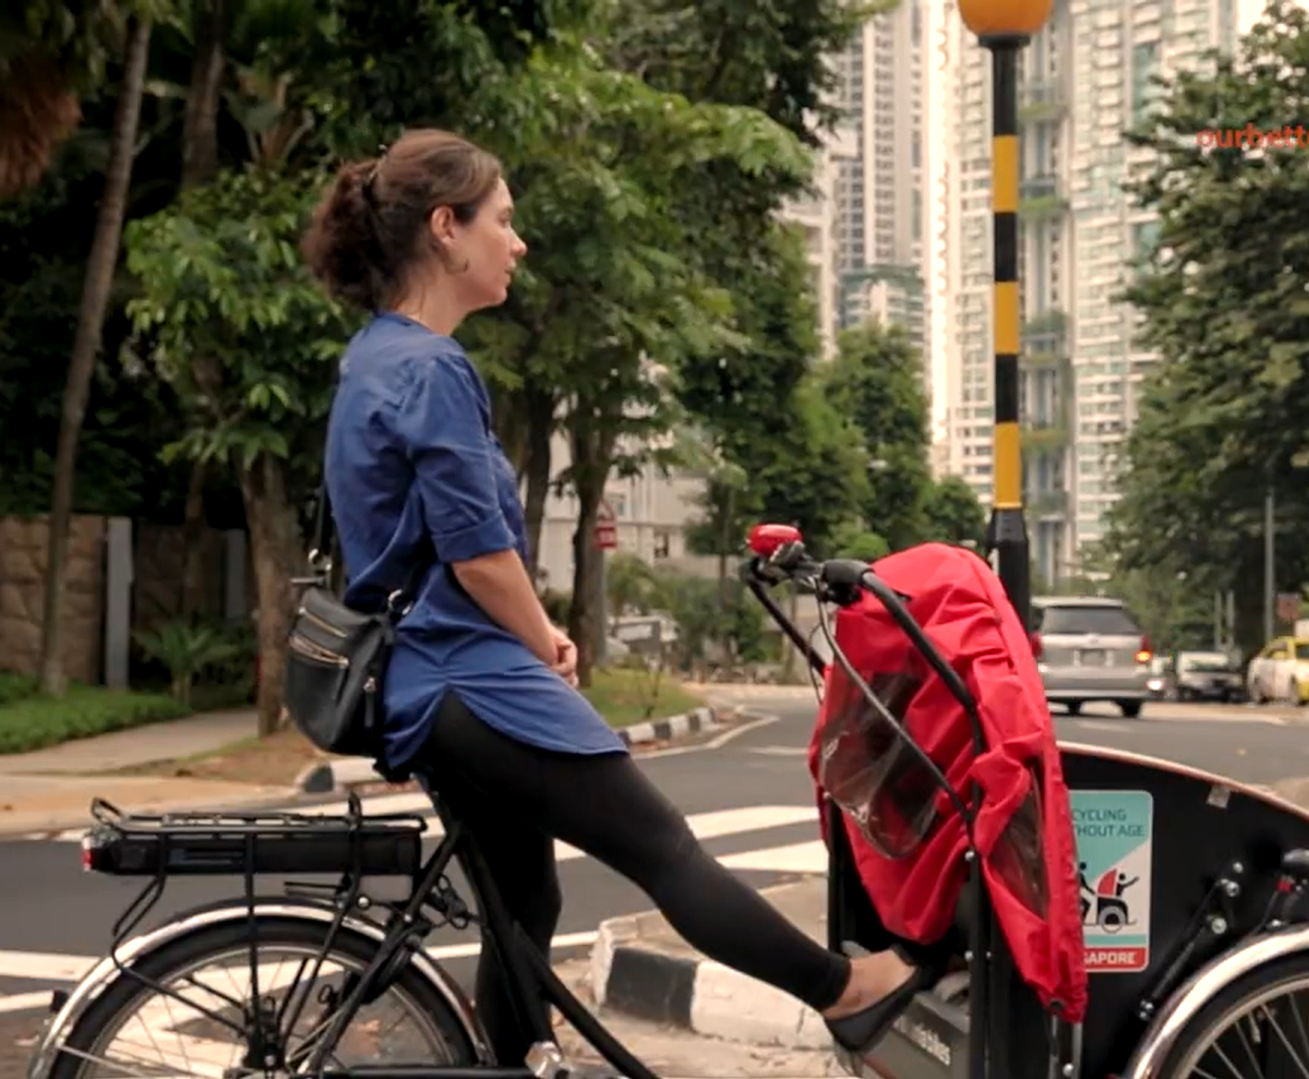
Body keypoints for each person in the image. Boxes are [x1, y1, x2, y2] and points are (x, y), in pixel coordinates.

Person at [300, 128, 931, 1065]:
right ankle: (844, 988)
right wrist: (542, 636)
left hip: (416, 678)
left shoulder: (374, 357)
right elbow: (478, 555)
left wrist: (527, 631)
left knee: (523, 900)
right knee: (661, 844)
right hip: (462, 672)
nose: (517, 243)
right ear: (445, 228)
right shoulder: (432, 368)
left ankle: (514, 1059)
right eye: (502, 220)